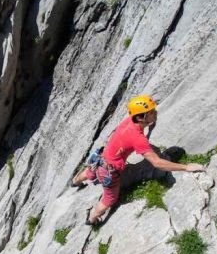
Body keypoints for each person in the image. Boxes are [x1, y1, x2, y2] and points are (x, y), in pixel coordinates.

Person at [72, 95, 205, 225]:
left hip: (99, 158)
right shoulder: (138, 138)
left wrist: (148, 127)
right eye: (152, 112)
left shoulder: (129, 120)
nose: (155, 112)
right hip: (109, 172)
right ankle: (92, 219)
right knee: (109, 199)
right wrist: (186, 167)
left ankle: (75, 182)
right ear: (142, 117)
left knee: (90, 173)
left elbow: (119, 136)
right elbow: (157, 163)